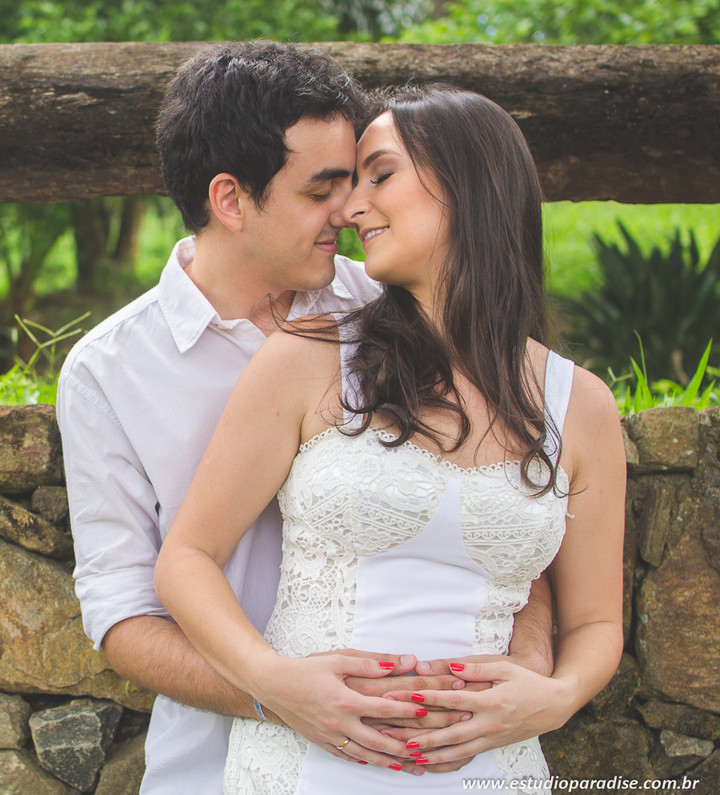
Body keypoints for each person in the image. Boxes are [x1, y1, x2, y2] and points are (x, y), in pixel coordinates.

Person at [57, 43, 557, 793]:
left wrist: (532, 659)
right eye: (323, 189)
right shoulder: (110, 370)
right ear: (231, 200)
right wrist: (277, 693)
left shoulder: (396, 307)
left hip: (433, 759)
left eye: (360, 180)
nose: (351, 210)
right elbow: (122, 613)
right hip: (212, 759)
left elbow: (506, 501)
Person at [154, 84, 626, 793]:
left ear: (469, 183)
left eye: (380, 175)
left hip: (493, 772)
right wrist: (274, 683)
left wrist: (556, 697)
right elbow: (186, 558)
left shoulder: (580, 404)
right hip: (309, 767)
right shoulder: (306, 361)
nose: (348, 208)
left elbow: (594, 620)